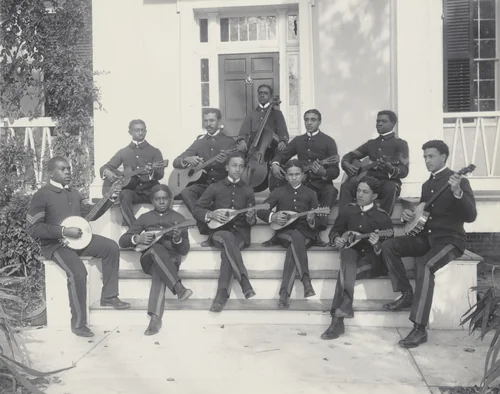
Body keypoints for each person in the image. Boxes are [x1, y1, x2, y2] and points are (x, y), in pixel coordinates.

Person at [381, 140, 477, 348]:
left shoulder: (459, 181)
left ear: (443, 157)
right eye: (425, 157)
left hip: (450, 241)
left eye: (431, 156)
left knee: (425, 265)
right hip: (427, 239)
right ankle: (406, 293)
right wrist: (410, 216)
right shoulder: (427, 184)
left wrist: (458, 192)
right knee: (390, 245)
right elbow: (424, 213)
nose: (427, 160)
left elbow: (471, 216)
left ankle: (419, 329)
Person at [26, 156, 130, 338]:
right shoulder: (42, 195)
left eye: (68, 169)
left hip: (79, 241)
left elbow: (90, 214)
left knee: (111, 247)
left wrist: (109, 198)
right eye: (63, 169)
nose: (68, 172)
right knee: (78, 272)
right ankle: (78, 324)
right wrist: (64, 231)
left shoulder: (74, 193)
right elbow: (33, 228)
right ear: (51, 173)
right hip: (55, 246)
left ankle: (109, 296)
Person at [321, 176, 394, 340]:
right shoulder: (348, 210)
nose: (360, 194)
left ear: (374, 196)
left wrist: (377, 245)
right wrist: (336, 239)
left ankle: (337, 322)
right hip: (350, 256)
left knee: (344, 273)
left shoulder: (382, 217)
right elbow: (335, 231)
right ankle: (343, 309)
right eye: (358, 190)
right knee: (347, 255)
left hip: (371, 262)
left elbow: (389, 250)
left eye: (365, 192)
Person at [119, 184, 193, 336]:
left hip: (171, 260)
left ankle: (155, 319)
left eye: (164, 199)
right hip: (148, 259)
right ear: (152, 201)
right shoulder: (145, 218)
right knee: (156, 249)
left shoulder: (179, 219)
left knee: (159, 274)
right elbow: (123, 240)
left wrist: (178, 239)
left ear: (170, 200)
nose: (161, 202)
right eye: (157, 199)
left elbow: (184, 250)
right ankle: (179, 289)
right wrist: (137, 238)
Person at [193, 152, 257, 312]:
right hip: (218, 231)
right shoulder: (215, 187)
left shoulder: (248, 190)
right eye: (234, 165)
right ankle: (244, 282)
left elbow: (252, 221)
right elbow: (197, 208)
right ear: (227, 167)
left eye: (241, 166)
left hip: (241, 234)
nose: (238, 169)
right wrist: (211, 214)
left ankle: (221, 295)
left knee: (227, 253)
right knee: (227, 238)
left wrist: (250, 217)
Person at [270, 109, 339, 246]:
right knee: (285, 189)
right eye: (306, 120)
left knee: (331, 192)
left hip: (320, 184)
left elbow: (335, 171)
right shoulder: (298, 140)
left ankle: (317, 232)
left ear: (319, 122)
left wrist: (324, 173)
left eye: (313, 120)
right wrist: (275, 163)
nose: (309, 123)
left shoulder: (328, 142)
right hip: (303, 183)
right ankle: (278, 231)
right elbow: (283, 154)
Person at [258, 159, 319, 308]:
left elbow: (319, 221)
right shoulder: (278, 192)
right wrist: (273, 217)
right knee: (294, 238)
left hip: (306, 234)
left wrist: (312, 221)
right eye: (291, 174)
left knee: (295, 245)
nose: (294, 178)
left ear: (303, 175)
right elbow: (261, 210)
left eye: (297, 174)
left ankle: (284, 295)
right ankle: (306, 282)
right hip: (284, 233)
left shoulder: (311, 193)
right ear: (286, 176)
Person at [173, 108, 236, 239]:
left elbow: (240, 164)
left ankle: (214, 232)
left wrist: (227, 162)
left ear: (219, 122)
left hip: (222, 185)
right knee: (186, 192)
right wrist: (187, 159)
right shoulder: (199, 142)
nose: (208, 124)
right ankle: (206, 227)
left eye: (212, 120)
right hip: (204, 185)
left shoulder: (230, 142)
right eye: (206, 121)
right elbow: (176, 162)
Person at [339, 110, 409, 216]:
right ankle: (344, 221)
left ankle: (383, 224)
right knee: (346, 186)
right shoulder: (371, 143)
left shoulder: (400, 144)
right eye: (378, 121)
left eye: (384, 121)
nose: (379, 124)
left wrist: (390, 168)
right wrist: (346, 165)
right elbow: (349, 156)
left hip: (386, 183)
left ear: (393, 123)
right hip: (369, 183)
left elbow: (404, 171)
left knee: (391, 187)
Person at [100, 119, 164, 227]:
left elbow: (160, 174)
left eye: (143, 130)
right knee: (124, 195)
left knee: (163, 193)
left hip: (150, 190)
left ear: (146, 131)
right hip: (133, 191)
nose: (140, 133)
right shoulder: (124, 152)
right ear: (130, 132)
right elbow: (105, 167)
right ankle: (135, 228)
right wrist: (107, 172)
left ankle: (163, 226)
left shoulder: (154, 151)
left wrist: (152, 172)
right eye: (137, 130)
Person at [237, 84, 289, 191]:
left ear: (270, 96)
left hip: (271, 148)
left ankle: (275, 187)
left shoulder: (277, 114)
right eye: (260, 93)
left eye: (265, 93)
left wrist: (283, 140)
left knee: (280, 155)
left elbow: (283, 132)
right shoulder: (251, 114)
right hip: (254, 150)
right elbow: (244, 132)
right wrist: (242, 140)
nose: (262, 95)